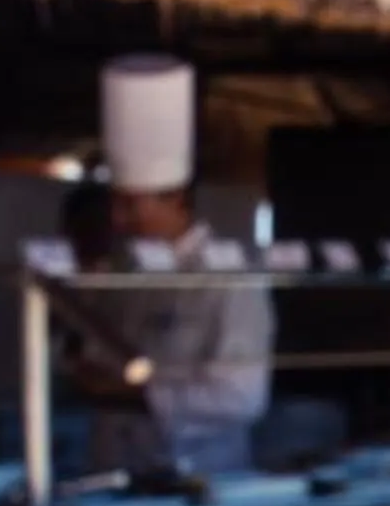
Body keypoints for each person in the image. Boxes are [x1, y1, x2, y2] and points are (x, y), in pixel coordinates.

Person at [76, 55, 273, 477]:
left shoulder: (230, 279)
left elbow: (243, 397)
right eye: (116, 203)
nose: (117, 219)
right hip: (111, 472)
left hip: (197, 479)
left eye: (131, 205)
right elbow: (94, 359)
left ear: (177, 199)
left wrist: (138, 396)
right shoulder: (124, 268)